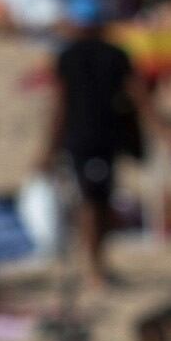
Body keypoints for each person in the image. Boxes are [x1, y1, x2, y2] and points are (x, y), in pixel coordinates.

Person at [44, 20, 143, 297]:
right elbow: (135, 96)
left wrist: (49, 148)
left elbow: (60, 106)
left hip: (83, 139)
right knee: (95, 203)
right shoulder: (114, 55)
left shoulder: (69, 56)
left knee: (94, 202)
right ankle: (95, 268)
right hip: (100, 138)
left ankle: (96, 266)